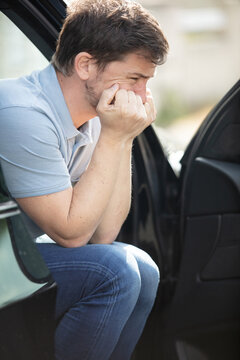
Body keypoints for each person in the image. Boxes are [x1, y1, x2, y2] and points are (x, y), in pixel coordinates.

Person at [0, 0, 169, 359]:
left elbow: (103, 234)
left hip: (14, 257)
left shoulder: (92, 115)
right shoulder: (21, 112)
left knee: (143, 268)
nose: (141, 96)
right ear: (86, 65)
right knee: (114, 273)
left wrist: (122, 137)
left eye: (146, 82)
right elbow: (73, 234)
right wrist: (113, 137)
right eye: (135, 79)